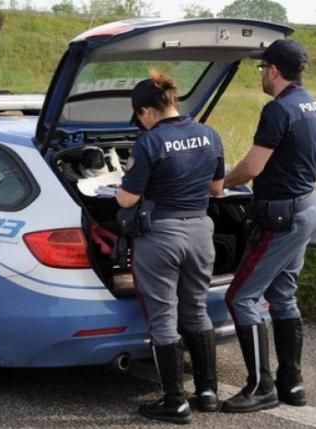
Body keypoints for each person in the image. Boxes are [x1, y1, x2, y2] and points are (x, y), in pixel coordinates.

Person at [116, 71, 225, 424]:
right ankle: (208, 392)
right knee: (195, 308)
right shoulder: (209, 134)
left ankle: (174, 402)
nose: (140, 124)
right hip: (200, 232)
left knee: (163, 317)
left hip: (161, 236)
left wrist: (119, 189)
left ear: (147, 111)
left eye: (139, 117)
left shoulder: (150, 143)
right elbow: (217, 189)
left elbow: (128, 198)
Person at [222, 39, 316, 413]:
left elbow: (252, 168)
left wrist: (222, 183)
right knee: (284, 296)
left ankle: (261, 387)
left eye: (262, 68)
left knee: (241, 297)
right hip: (306, 207)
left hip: (281, 217)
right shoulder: (310, 103)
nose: (261, 73)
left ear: (274, 71)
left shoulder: (278, 111)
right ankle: (292, 385)